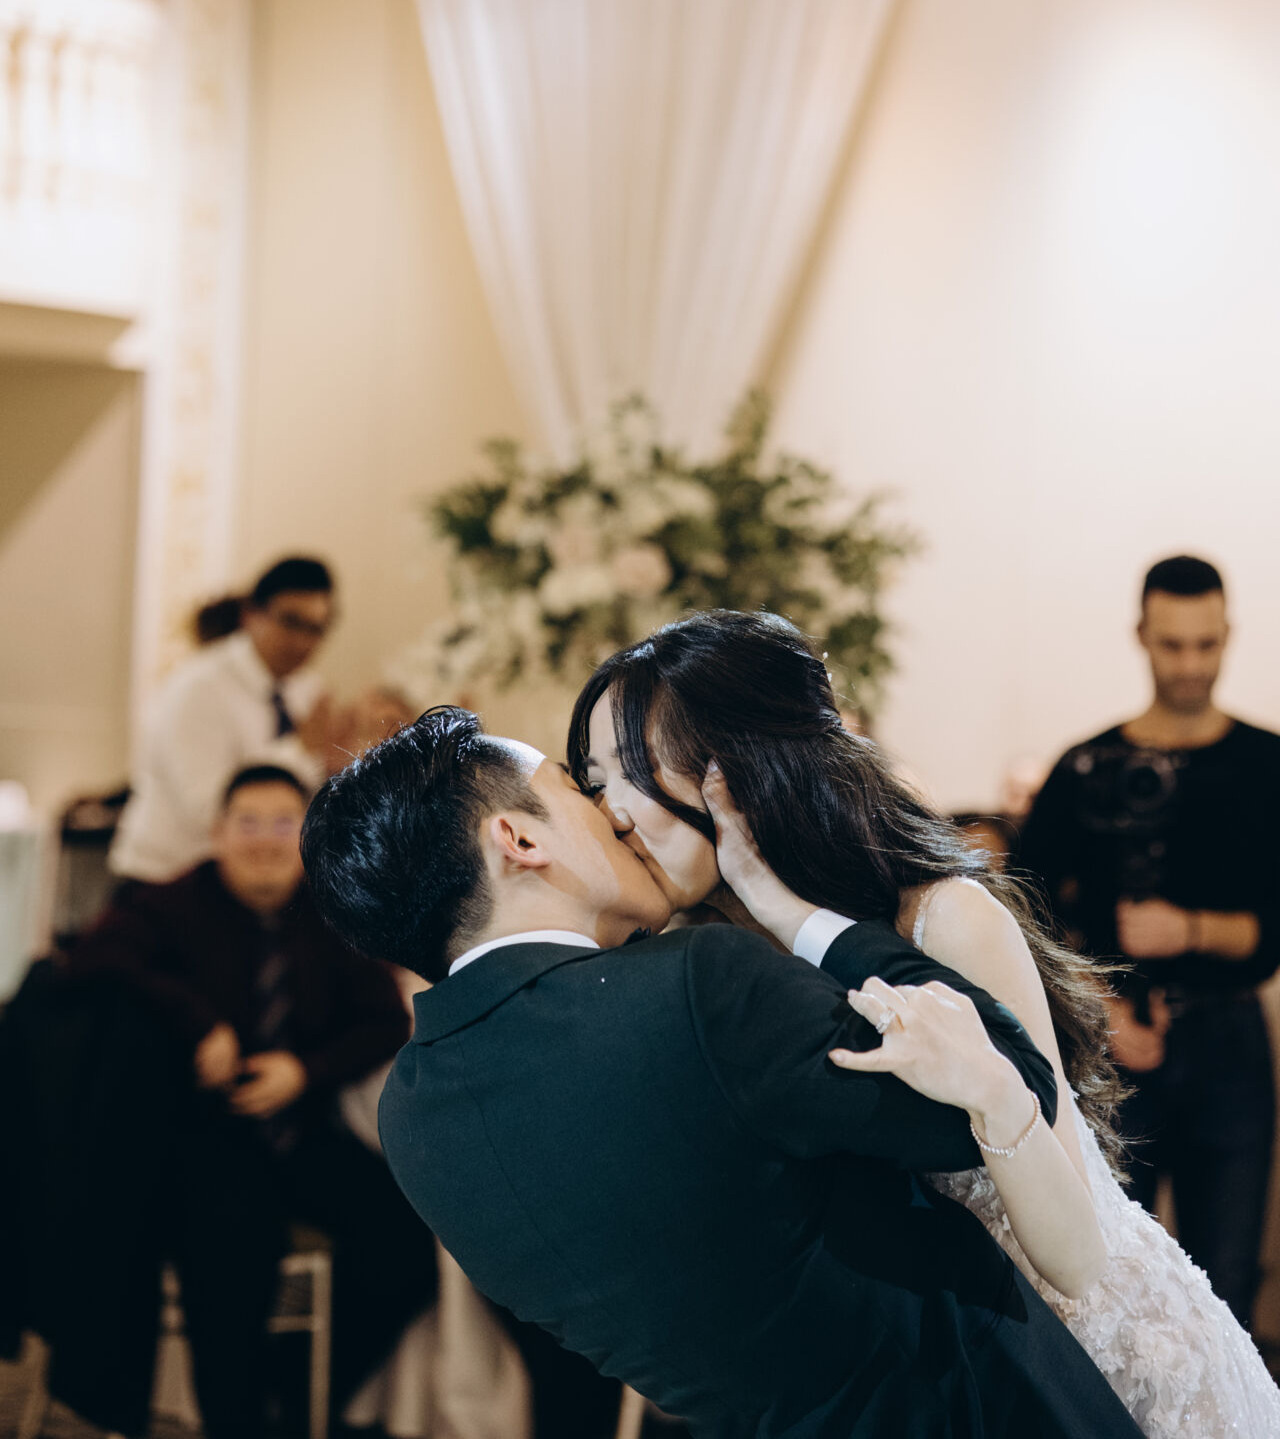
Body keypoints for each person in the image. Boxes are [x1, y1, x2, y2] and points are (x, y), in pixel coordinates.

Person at [301, 705, 1146, 1439]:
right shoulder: (691, 988)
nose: (613, 815)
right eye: (575, 789)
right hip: (982, 1405)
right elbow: (1004, 1077)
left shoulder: (412, 1117)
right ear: (519, 839)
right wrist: (795, 914)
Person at [569, 608, 1280, 1438]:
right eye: (593, 781)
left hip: (1090, 1369)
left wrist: (787, 911)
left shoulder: (943, 922)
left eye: (635, 769)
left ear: (742, 768)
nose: (611, 811)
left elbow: (1077, 1257)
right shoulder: (690, 964)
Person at [62, 762, 437, 1439]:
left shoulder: (327, 910)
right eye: (249, 823)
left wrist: (305, 1071)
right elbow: (92, 962)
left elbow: (385, 1019)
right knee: (229, 1265)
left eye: (283, 824)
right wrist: (197, 1023)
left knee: (406, 1248)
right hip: (205, 1138)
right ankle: (236, 1420)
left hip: (302, 1128)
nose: (265, 840)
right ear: (218, 833)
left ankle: (292, 1396)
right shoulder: (170, 904)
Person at [1017, 553, 1280, 1332]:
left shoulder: (1267, 765)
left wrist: (1192, 929)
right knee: (1107, 1289)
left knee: (1227, 1289)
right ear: (1141, 635)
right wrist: (1099, 1009)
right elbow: (1022, 912)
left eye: (1207, 644)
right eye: (1173, 645)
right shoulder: (1085, 766)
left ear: (1229, 633)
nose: (1191, 665)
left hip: (1230, 1040)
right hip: (1109, 1046)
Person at [111, 554, 349, 883]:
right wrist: (300, 751)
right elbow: (210, 811)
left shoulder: (308, 690)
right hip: (166, 879)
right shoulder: (199, 688)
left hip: (252, 883)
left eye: (316, 629)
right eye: (291, 622)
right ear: (251, 615)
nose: (303, 642)